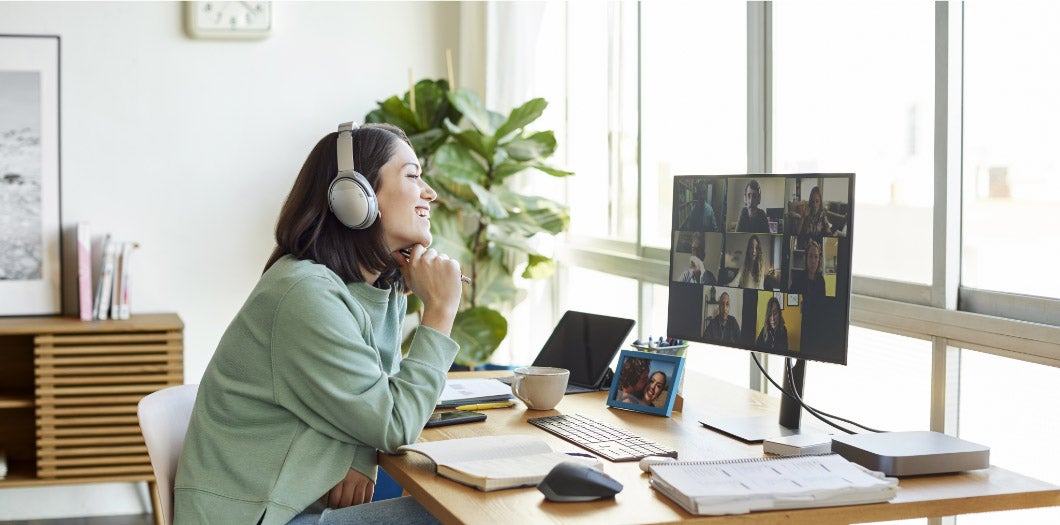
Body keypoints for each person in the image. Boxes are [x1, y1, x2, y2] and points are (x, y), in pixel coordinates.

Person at [175, 123, 463, 525]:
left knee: (460, 508)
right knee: (460, 516)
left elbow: (372, 395)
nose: (429, 192)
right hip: (258, 517)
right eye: (413, 176)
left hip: (297, 503)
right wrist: (441, 311)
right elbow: (396, 424)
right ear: (354, 197)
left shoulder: (373, 288)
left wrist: (359, 453)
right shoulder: (305, 293)